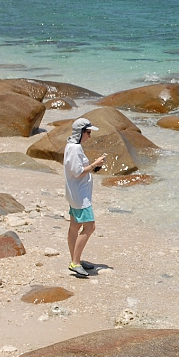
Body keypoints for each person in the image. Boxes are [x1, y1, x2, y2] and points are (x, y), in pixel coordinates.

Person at [64, 117, 106, 278]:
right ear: (80, 132)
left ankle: (76, 259)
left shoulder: (71, 146)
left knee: (74, 226)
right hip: (80, 197)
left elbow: (78, 169)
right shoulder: (75, 148)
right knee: (90, 227)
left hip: (75, 194)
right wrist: (95, 164)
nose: (89, 136)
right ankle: (75, 263)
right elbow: (78, 172)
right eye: (88, 132)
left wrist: (93, 168)